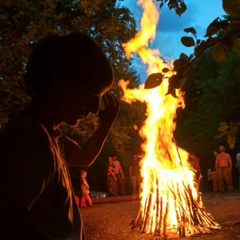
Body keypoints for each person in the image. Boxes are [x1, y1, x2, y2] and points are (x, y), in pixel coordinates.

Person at [0, 32, 119, 239]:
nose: (95, 108)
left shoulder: (52, 137)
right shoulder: (30, 141)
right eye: (92, 97)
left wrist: (106, 124)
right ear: (59, 86)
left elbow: (84, 157)